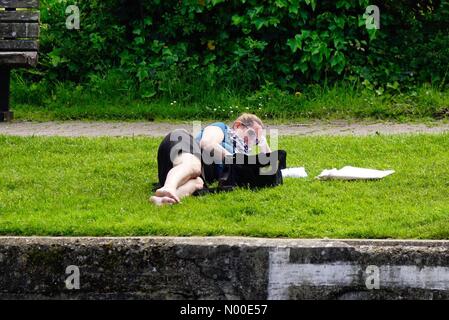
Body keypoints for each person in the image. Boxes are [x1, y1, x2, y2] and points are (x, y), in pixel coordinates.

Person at [150, 113, 271, 206]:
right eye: (251, 134)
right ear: (238, 125)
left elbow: (269, 167)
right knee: (194, 166)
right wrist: (235, 160)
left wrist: (263, 143)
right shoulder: (222, 129)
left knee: (198, 183)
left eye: (255, 140)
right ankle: (168, 187)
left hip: (191, 175)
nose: (251, 141)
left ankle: (163, 200)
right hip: (180, 146)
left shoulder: (241, 156)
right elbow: (207, 144)